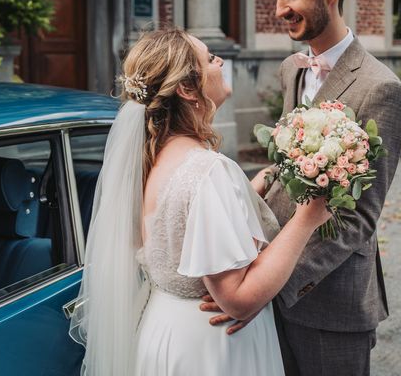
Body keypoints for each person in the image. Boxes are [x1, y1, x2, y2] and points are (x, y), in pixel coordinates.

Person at [69, 28, 333, 375]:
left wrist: (254, 186)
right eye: (210, 58)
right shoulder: (207, 170)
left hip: (164, 329)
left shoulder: (149, 160)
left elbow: (177, 227)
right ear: (187, 89)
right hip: (210, 348)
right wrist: (308, 217)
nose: (220, 61)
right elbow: (237, 298)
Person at [234, 0, 401, 376]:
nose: (279, 10)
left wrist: (270, 283)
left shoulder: (381, 88)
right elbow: (287, 168)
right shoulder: (293, 67)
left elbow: (359, 218)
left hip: (330, 301)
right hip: (271, 281)